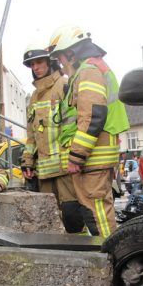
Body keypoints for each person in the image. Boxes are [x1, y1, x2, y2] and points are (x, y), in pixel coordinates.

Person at [47, 25, 130, 238]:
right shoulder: (89, 69)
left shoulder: (88, 71)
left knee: (98, 213)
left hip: (93, 156)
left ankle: (111, 259)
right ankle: (108, 258)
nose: (60, 65)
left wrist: (76, 155)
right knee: (95, 211)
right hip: (93, 155)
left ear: (71, 53)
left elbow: (93, 115)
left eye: (60, 58)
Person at [20, 43, 85, 233]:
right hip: (45, 171)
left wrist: (77, 155)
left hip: (66, 167)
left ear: (50, 63)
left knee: (73, 216)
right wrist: (27, 161)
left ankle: (79, 255)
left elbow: (75, 123)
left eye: (39, 62)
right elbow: (31, 134)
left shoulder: (64, 85)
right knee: (47, 219)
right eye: (32, 65)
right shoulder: (33, 97)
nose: (36, 68)